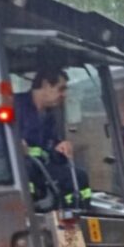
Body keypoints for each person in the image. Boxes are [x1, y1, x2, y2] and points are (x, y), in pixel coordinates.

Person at [16, 67, 91, 207]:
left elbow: (49, 150)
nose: (64, 95)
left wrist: (60, 148)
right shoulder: (15, 106)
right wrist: (10, 144)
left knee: (79, 176)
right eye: (61, 89)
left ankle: (75, 216)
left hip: (41, 169)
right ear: (45, 85)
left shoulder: (49, 117)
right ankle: (31, 209)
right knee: (27, 172)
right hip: (18, 172)